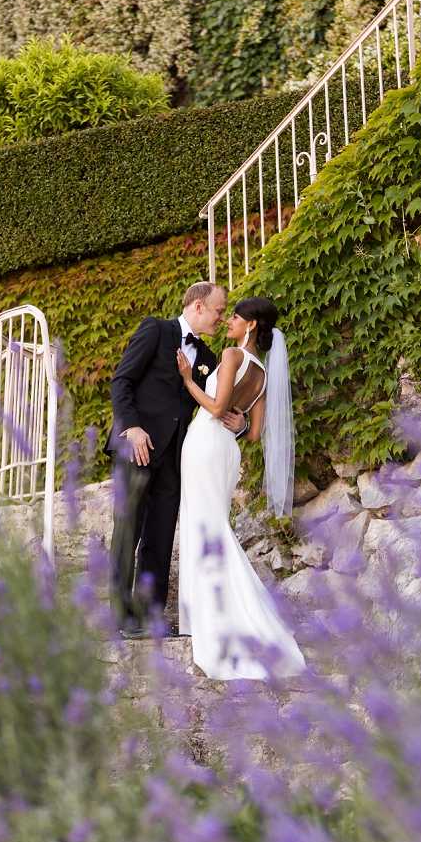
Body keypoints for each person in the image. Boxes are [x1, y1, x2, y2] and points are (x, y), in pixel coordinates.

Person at [176, 296, 306, 679]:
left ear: (250, 325)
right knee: (213, 527)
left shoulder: (232, 356)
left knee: (204, 528)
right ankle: (215, 614)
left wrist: (187, 380)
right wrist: (236, 422)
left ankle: (211, 619)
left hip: (204, 443)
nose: (228, 320)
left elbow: (216, 409)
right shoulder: (263, 374)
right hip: (226, 451)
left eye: (235, 317)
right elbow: (252, 434)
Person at [106, 282, 245, 636]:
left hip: (175, 460)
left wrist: (241, 423)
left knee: (161, 536)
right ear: (198, 306)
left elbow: (219, 406)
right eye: (218, 309)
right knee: (128, 531)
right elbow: (121, 381)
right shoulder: (156, 329)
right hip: (137, 447)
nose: (221, 317)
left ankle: (149, 617)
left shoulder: (210, 359)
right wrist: (132, 427)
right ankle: (119, 618)